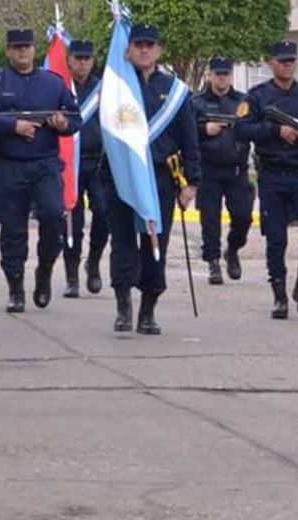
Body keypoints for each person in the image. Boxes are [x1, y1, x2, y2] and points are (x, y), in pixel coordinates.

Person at [0, 29, 83, 313]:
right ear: (9, 51)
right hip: (9, 163)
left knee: (51, 216)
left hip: (44, 163)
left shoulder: (53, 83)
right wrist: (13, 126)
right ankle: (16, 288)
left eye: (27, 47)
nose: (22, 52)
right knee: (12, 229)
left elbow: (75, 118)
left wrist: (62, 124)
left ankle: (44, 271)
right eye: (17, 48)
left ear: (35, 49)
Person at [102, 24, 200, 334]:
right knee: (121, 243)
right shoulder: (117, 87)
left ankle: (148, 310)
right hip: (119, 176)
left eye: (150, 45)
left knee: (154, 241)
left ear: (159, 50)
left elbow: (190, 139)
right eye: (138, 45)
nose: (144, 50)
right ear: (128, 49)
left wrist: (191, 182)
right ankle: (123, 307)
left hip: (159, 179)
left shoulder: (174, 91)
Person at [237, 40, 298, 319]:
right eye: (282, 60)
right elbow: (241, 129)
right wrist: (276, 131)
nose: (288, 65)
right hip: (273, 175)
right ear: (270, 63)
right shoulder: (257, 96)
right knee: (276, 239)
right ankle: (279, 295)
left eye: (291, 60)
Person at [191, 56, 252, 285]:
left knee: (243, 217)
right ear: (210, 75)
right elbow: (187, 132)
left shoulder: (242, 102)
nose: (222, 78)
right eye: (218, 74)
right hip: (208, 168)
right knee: (210, 219)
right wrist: (204, 129)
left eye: (226, 73)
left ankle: (233, 250)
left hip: (236, 168)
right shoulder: (197, 102)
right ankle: (213, 262)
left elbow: (253, 128)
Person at [61, 40, 110, 299]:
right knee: (71, 221)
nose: (82, 63)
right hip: (70, 164)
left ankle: (93, 261)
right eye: (77, 58)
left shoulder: (105, 88)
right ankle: (71, 274)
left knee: (104, 213)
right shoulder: (60, 86)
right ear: (68, 59)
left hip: (98, 162)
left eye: (86, 58)